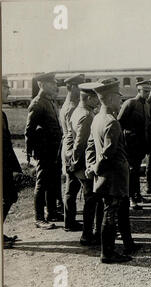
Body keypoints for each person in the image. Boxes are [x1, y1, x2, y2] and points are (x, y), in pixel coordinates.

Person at [85, 78, 137, 263]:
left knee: (120, 209)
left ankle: (128, 244)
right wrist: (96, 169)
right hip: (114, 176)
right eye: (118, 96)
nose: (120, 99)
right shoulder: (111, 122)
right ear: (109, 97)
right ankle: (107, 253)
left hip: (108, 175)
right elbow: (107, 154)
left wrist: (91, 166)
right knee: (111, 212)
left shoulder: (98, 118)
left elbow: (90, 146)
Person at [65, 82, 104, 245]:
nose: (98, 101)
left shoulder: (77, 111)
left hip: (76, 164)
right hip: (83, 165)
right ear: (88, 98)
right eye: (95, 97)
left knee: (81, 196)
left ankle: (82, 229)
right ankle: (88, 235)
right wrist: (76, 163)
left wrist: (69, 160)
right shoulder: (88, 116)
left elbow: (70, 136)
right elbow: (81, 144)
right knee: (92, 199)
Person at [25, 72, 62, 229]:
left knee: (53, 181)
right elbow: (29, 130)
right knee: (41, 183)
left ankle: (51, 212)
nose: (55, 86)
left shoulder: (49, 102)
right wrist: (29, 151)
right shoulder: (38, 103)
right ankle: (39, 217)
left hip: (53, 149)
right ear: (42, 85)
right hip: (44, 150)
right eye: (52, 83)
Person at [118, 80, 150, 208]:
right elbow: (119, 122)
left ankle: (137, 194)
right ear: (139, 90)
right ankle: (131, 198)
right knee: (131, 171)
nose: (147, 94)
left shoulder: (147, 105)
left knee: (136, 170)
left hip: (141, 144)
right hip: (130, 144)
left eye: (149, 91)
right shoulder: (130, 103)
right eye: (145, 91)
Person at [61, 74, 85, 231]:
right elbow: (74, 134)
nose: (81, 88)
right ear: (72, 87)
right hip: (72, 150)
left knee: (72, 186)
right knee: (72, 187)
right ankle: (69, 222)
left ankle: (69, 221)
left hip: (69, 148)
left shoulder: (69, 104)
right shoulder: (72, 107)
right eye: (79, 85)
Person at [2, 78, 22, 246]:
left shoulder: (2, 114)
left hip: (4, 167)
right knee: (8, 196)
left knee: (9, 196)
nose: (8, 91)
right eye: (5, 88)